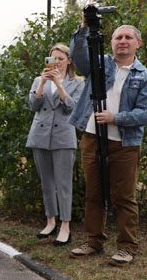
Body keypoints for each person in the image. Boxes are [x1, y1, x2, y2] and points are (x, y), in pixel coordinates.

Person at [68, 21, 147, 266]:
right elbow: (77, 56)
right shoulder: (99, 63)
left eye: (127, 37)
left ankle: (127, 246)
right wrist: (83, 28)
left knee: (124, 196)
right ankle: (94, 241)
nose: (122, 41)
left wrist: (116, 118)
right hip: (92, 138)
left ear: (138, 43)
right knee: (93, 193)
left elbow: (144, 112)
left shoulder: (143, 75)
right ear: (111, 42)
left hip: (124, 143)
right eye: (117, 37)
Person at [26, 44, 84, 246]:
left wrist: (59, 85)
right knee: (47, 183)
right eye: (53, 59)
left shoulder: (77, 83)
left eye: (61, 58)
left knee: (64, 184)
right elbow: (32, 106)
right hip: (40, 135)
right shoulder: (37, 80)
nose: (56, 62)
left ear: (69, 61)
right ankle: (50, 221)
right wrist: (42, 83)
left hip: (62, 137)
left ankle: (65, 225)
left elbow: (73, 109)